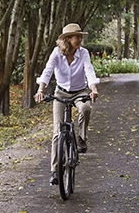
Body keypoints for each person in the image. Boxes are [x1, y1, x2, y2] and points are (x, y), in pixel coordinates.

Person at [35, 23, 100, 185]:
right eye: (77, 37)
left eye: (80, 37)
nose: (80, 39)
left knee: (85, 108)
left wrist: (93, 88)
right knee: (57, 132)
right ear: (68, 39)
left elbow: (89, 70)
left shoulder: (83, 53)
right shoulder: (57, 53)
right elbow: (48, 70)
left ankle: (82, 139)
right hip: (61, 92)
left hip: (80, 91)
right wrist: (40, 90)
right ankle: (55, 171)